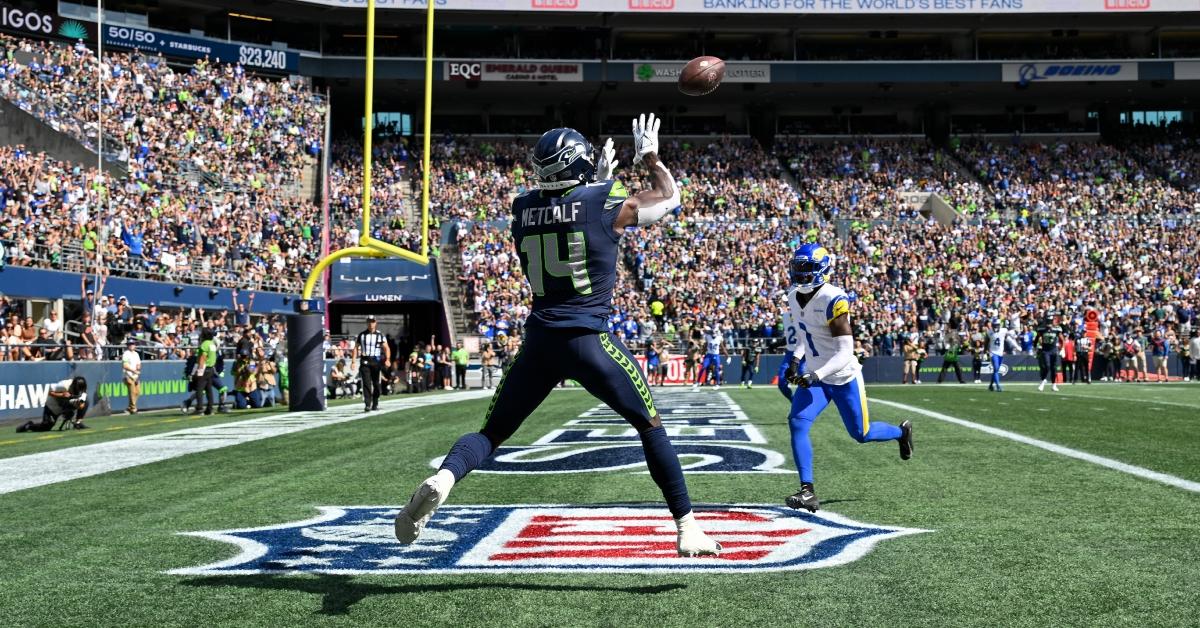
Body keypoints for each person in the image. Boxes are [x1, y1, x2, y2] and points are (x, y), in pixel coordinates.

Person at [395, 117, 721, 557]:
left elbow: (568, 218)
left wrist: (597, 183)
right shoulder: (604, 200)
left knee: (491, 433)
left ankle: (445, 478)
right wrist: (649, 156)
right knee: (650, 426)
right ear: (579, 164)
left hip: (539, 343)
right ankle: (687, 527)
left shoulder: (521, 208)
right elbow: (667, 198)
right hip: (589, 340)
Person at [777, 243, 913, 513]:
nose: (801, 274)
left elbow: (845, 351)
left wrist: (815, 373)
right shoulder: (793, 295)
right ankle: (807, 491)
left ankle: (901, 432)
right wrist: (795, 360)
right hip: (817, 377)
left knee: (860, 434)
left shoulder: (834, 299)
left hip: (841, 376)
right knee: (797, 422)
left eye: (807, 268)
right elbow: (806, 334)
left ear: (823, 269)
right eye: (798, 268)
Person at [18, 376, 89, 432]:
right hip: (54, 404)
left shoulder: (82, 388)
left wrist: (79, 404)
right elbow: (49, 392)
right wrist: (62, 395)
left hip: (67, 403)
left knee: (86, 401)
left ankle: (78, 423)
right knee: (46, 426)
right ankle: (29, 426)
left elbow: (82, 405)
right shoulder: (64, 385)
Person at [354, 315, 390, 411]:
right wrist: (353, 361)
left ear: (376, 323)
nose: (371, 323)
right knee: (366, 383)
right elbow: (356, 348)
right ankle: (367, 404)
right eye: (369, 322)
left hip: (376, 362)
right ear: (367, 323)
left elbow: (386, 348)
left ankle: (375, 403)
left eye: (373, 321)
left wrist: (388, 359)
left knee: (376, 384)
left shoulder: (380, 335)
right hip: (365, 361)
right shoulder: (361, 335)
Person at [182, 328, 219, 415]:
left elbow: (203, 358)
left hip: (204, 368)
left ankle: (199, 409)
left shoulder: (204, 344)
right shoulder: (212, 344)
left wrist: (199, 370)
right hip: (211, 368)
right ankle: (209, 409)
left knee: (199, 389)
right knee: (209, 389)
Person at [692, 325, 725, 391]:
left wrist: (728, 356)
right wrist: (701, 355)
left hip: (716, 355)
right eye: (713, 332)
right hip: (709, 355)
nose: (713, 334)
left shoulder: (719, 338)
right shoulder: (708, 337)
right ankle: (698, 382)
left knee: (716, 369)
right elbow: (705, 347)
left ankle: (717, 384)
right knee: (703, 367)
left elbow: (723, 348)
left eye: (715, 332)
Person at [1036, 315, 1062, 392]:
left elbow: (1062, 339)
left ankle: (1054, 385)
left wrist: (1062, 348)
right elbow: (1037, 338)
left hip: (1054, 350)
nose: (1049, 324)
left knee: (1054, 368)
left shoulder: (1057, 329)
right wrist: (1035, 347)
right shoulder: (1042, 329)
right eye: (1048, 322)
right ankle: (1043, 381)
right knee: (1047, 366)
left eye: (1050, 322)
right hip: (1045, 350)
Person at [987, 319, 1015, 392]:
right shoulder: (989, 332)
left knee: (996, 370)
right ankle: (998, 386)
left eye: (997, 325)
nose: (995, 327)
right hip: (993, 352)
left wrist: (1015, 345)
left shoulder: (1003, 331)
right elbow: (986, 342)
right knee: (996, 368)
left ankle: (990, 385)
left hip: (1000, 353)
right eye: (994, 325)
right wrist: (985, 351)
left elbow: (1008, 337)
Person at [121, 339, 142, 414]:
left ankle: (130, 407)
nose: (132, 345)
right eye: (130, 344)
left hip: (136, 375)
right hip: (128, 375)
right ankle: (133, 409)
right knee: (132, 392)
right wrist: (133, 370)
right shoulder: (126, 353)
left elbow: (139, 363)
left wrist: (138, 367)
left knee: (137, 392)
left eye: (133, 344)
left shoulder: (136, 354)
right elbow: (125, 365)